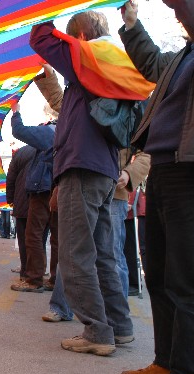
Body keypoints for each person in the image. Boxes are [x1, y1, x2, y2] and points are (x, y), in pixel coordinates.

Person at [30, 9, 153, 355]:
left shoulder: (91, 58)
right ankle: (120, 327)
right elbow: (66, 104)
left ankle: (97, 332)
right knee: (101, 256)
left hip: (81, 168)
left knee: (74, 254)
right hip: (103, 170)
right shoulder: (115, 67)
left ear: (80, 38)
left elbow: (39, 38)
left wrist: (43, 11)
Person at [117, 1, 194, 374]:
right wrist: (131, 25)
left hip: (188, 171)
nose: (180, 17)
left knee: (186, 278)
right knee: (161, 276)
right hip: (163, 168)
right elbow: (150, 62)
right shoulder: (181, 57)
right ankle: (164, 362)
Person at [9, 101, 55, 293]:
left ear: (49, 116)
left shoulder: (49, 131)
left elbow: (19, 131)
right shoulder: (72, 130)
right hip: (61, 188)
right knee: (58, 239)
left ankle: (34, 278)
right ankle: (55, 280)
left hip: (43, 190)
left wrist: (16, 113)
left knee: (33, 235)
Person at [111, 149, 150, 298]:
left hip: (122, 195)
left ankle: (118, 310)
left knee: (118, 252)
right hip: (129, 202)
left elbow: (145, 157)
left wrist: (129, 174)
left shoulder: (131, 130)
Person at [6, 145, 37, 278]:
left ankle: (26, 270)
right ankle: (39, 270)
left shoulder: (21, 152)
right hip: (44, 199)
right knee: (39, 237)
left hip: (22, 200)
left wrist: (11, 199)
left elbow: (11, 178)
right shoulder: (52, 146)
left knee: (24, 239)